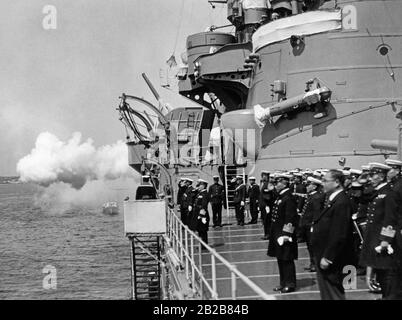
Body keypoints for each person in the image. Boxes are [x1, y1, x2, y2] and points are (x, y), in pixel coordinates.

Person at [359, 163, 401, 300]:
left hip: (384, 242)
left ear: (382, 176)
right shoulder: (378, 191)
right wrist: (360, 181)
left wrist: (386, 240)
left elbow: (391, 218)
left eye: (373, 175)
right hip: (375, 238)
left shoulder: (389, 192)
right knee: (382, 274)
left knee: (388, 276)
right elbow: (361, 196)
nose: (370, 178)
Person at [310, 169, 354, 300]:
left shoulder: (341, 202)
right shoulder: (333, 199)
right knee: (327, 293)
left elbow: (339, 233)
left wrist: (328, 257)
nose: (322, 183)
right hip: (323, 253)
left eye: (325, 181)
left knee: (334, 293)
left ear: (336, 182)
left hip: (333, 259)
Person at [267, 173, 298, 293]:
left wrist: (287, 235)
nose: (275, 185)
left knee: (287, 259)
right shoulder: (281, 196)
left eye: (277, 182)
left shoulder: (288, 197)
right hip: (277, 233)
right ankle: (283, 282)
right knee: (280, 258)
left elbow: (290, 218)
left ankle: (290, 283)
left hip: (284, 235)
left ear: (284, 183)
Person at [299, 176, 325, 272]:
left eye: (309, 184)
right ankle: (312, 263)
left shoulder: (317, 197)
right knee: (309, 246)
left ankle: (315, 264)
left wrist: (314, 225)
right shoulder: (312, 196)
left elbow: (317, 213)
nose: (307, 186)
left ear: (314, 186)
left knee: (313, 246)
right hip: (307, 225)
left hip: (311, 225)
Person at [260, 171, 276, 239]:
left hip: (267, 205)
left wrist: (267, 205)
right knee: (264, 220)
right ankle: (266, 233)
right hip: (263, 205)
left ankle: (268, 234)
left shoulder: (268, 184)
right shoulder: (262, 183)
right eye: (263, 175)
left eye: (265, 175)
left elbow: (268, 196)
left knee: (267, 220)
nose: (263, 177)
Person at [195, 179, 210, 247]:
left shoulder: (205, 194)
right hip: (199, 213)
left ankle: (204, 245)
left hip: (203, 214)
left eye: (200, 185)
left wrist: (201, 215)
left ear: (204, 186)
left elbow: (204, 205)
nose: (199, 186)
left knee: (203, 230)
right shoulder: (200, 193)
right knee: (200, 230)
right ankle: (202, 244)